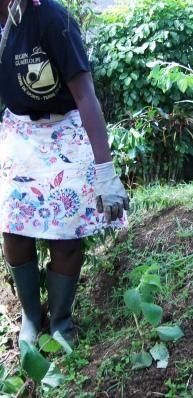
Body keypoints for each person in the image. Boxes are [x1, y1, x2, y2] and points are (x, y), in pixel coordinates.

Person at [0, 0, 129, 346]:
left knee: (67, 238)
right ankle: (30, 315)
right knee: (13, 230)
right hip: (20, 134)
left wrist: (105, 170)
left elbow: (86, 95)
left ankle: (60, 321)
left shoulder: (52, 18)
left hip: (65, 133)